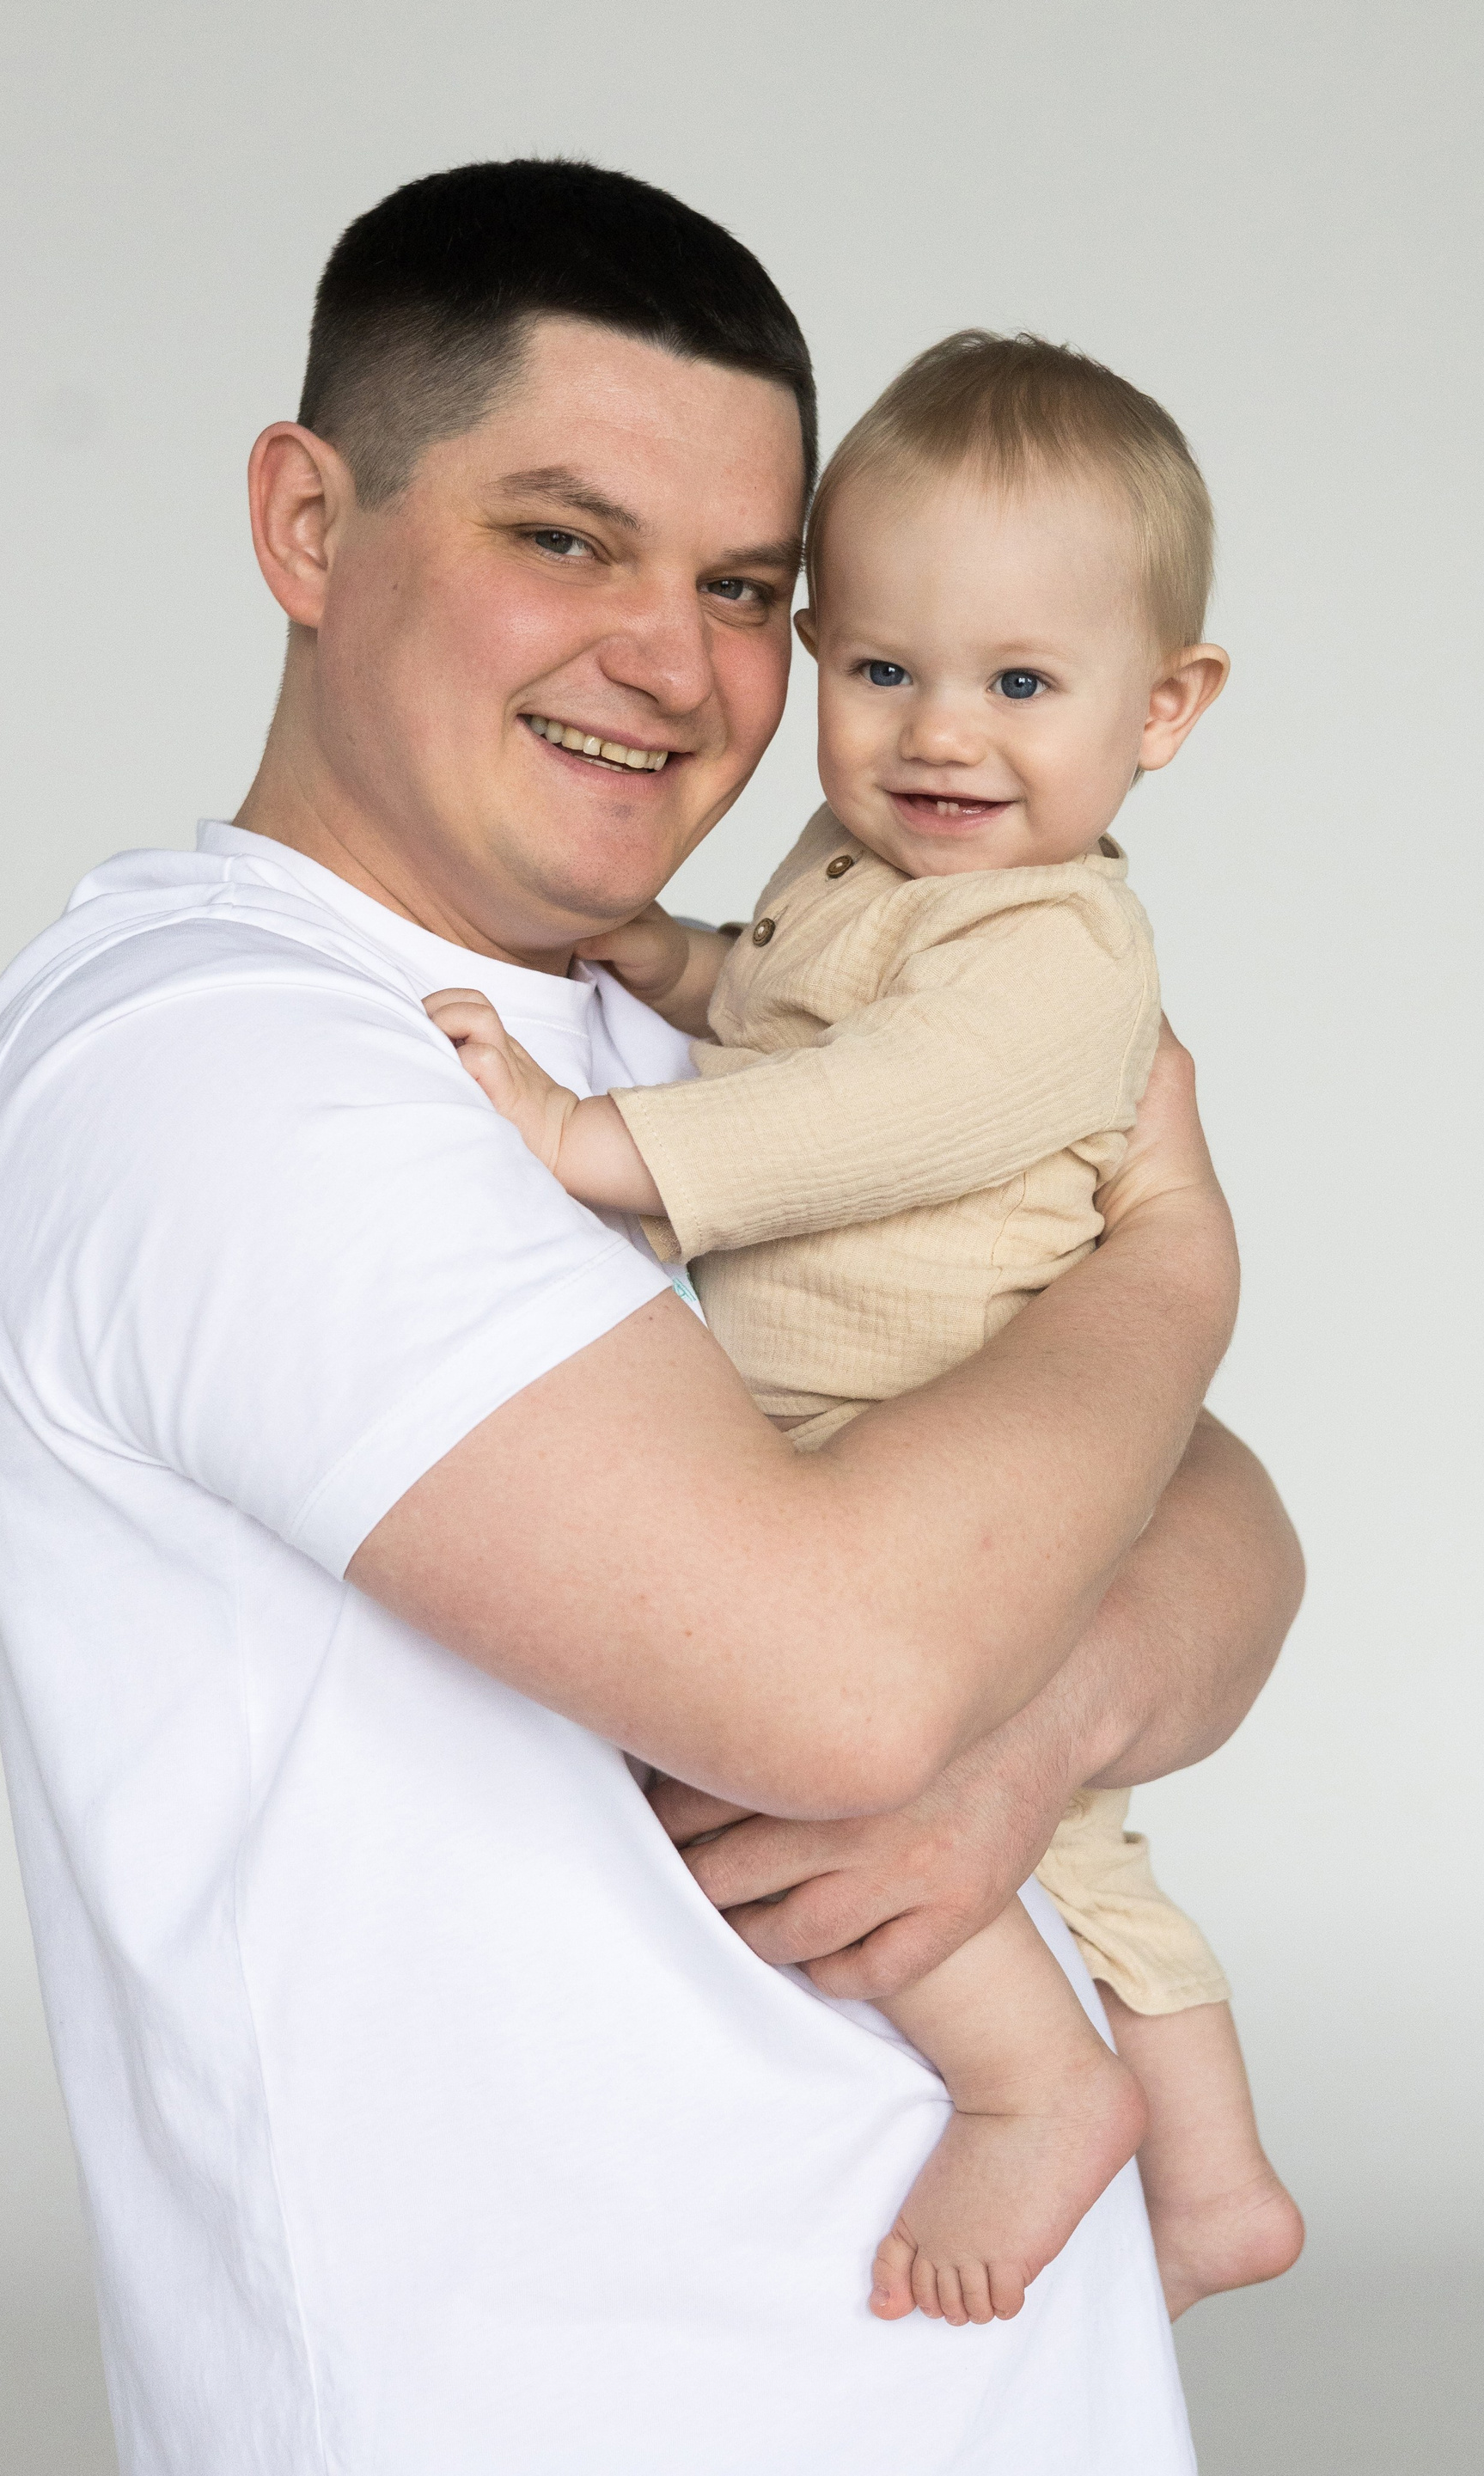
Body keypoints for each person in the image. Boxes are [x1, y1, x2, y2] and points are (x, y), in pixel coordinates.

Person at [0, 160, 1301, 2474]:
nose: (675, 660)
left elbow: (1230, 1528)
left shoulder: (730, 1025)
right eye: (566, 540)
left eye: (746, 587)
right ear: (307, 525)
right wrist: (1172, 1269)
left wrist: (1033, 1725)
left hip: (987, 2390)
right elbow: (850, 1680)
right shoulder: (216, 1060)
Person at [427, 326, 1306, 2333]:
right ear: (822, 652)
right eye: (885, 670)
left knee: (813, 1781)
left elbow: (867, 1112)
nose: (942, 736)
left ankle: (1032, 2084)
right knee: (1066, 1832)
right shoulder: (867, 869)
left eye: (1022, 685)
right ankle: (1220, 2185)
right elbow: (781, 1002)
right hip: (861, 1422)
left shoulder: (1057, 944)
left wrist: (592, 1138)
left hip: (918, 1422)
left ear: (1166, 705)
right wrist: (663, 956)